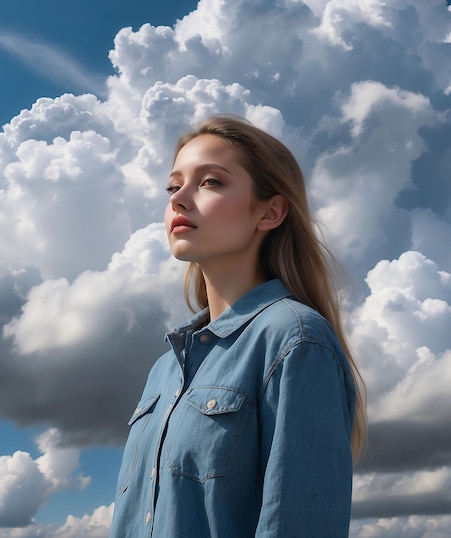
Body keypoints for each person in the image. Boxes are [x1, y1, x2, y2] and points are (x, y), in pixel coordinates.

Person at [109, 115, 367, 538]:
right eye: (173, 186)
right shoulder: (163, 370)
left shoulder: (296, 340)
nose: (180, 199)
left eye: (209, 182)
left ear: (270, 211)